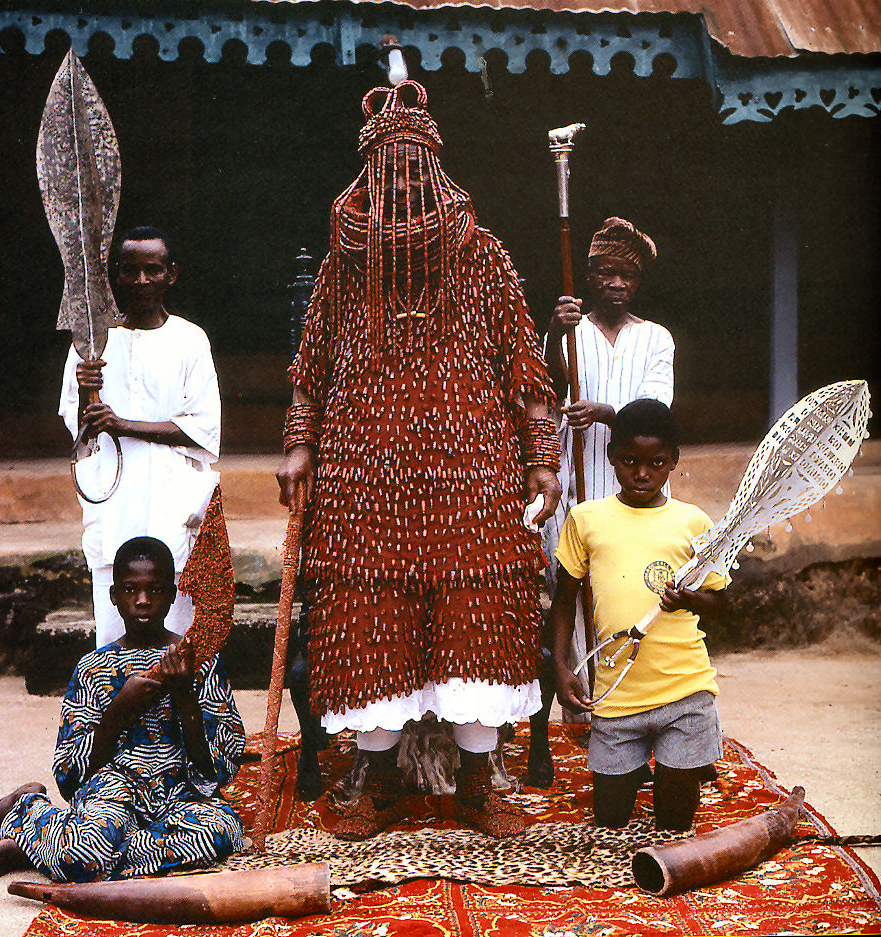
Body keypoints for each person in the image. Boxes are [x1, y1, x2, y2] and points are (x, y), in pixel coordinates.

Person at [276, 80, 561, 841]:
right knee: (367, 617)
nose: (400, 181)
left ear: (434, 169)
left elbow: (525, 371)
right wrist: (300, 447)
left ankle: (479, 774)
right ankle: (369, 773)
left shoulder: (483, 258)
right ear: (367, 175)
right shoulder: (342, 269)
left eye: (412, 166)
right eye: (387, 168)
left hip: (471, 471)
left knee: (480, 617)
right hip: (362, 475)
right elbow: (312, 370)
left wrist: (540, 459)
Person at [0, 537, 245, 880]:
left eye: (155, 590)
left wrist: (185, 695)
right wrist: (119, 709)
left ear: (172, 595)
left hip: (179, 796)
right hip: (112, 795)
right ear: (114, 596)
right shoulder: (93, 668)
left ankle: (39, 845)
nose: (143, 601)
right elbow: (70, 774)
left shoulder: (200, 663)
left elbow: (221, 769)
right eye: (130, 589)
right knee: (95, 843)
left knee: (222, 833)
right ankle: (26, 809)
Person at [533, 217, 675, 777]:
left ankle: (633, 703)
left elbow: (657, 412)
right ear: (589, 277)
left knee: (627, 590)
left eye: (627, 275)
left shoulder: (656, 337)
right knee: (570, 585)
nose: (617, 283)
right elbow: (542, 385)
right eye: (606, 273)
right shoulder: (571, 332)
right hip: (576, 480)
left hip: (634, 483)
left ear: (638, 283)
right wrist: (551, 334)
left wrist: (605, 413)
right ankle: (581, 708)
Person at [549, 399, 729, 831]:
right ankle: (640, 768)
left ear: (673, 462)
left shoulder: (693, 522)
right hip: (617, 698)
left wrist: (687, 598)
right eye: (629, 460)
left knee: (674, 824)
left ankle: (681, 767)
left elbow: (720, 604)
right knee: (610, 819)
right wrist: (560, 665)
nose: (642, 473)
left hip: (684, 692)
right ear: (611, 456)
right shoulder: (587, 518)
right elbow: (562, 600)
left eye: (656, 462)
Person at [58, 226, 221, 648]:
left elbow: (200, 427)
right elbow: (80, 432)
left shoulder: (190, 339)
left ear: (171, 274)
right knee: (114, 616)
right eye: (131, 271)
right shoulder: (91, 343)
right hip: (113, 497)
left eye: (152, 270)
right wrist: (85, 390)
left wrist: (122, 424)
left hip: (170, 496)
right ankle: (115, 701)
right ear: (116, 275)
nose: (142, 281)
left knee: (176, 618)